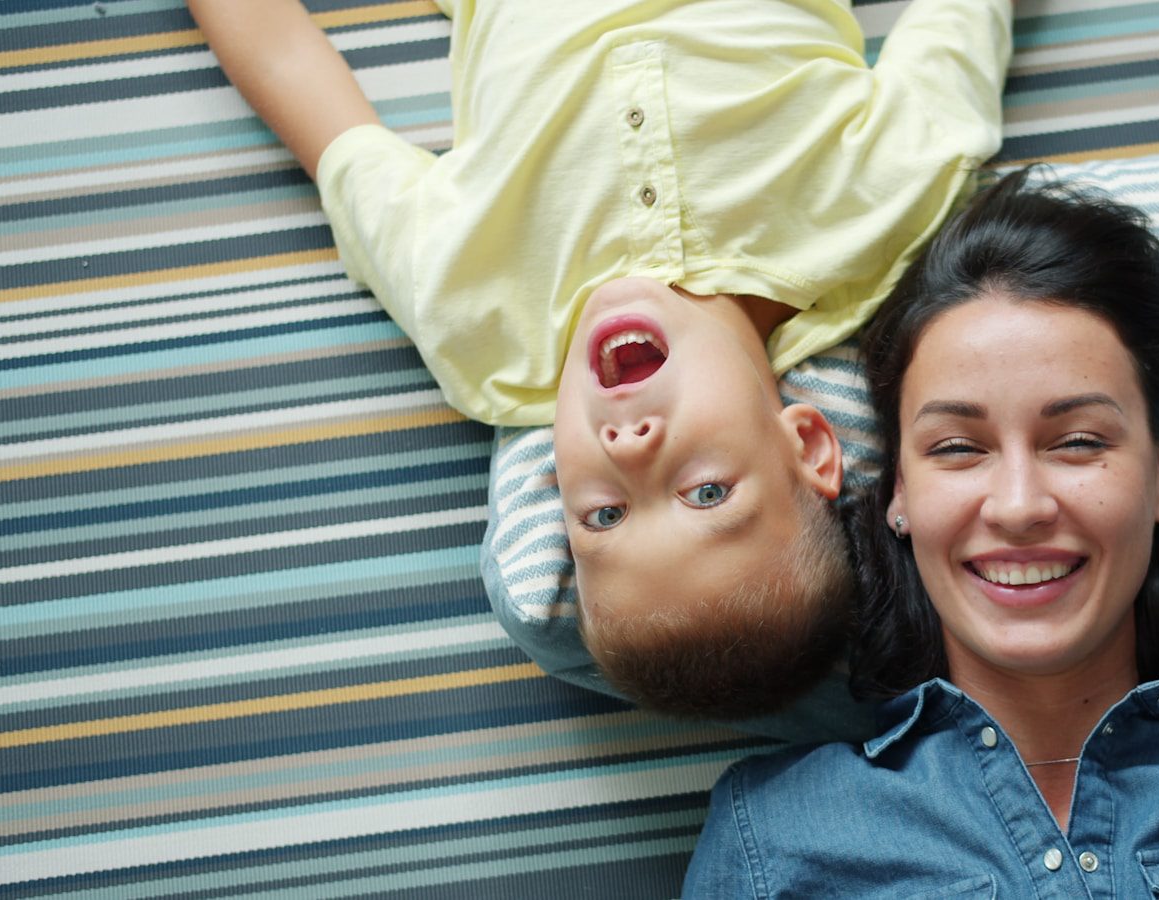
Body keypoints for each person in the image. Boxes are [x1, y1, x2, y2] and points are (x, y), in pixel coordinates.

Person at [186, 0, 1010, 719]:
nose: (630, 450)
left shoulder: (479, 321)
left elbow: (296, 74)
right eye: (705, 492)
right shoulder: (877, 219)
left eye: (604, 515)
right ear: (808, 445)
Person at [683, 170, 1159, 896]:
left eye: (1079, 441)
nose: (1018, 506)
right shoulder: (770, 837)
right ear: (897, 495)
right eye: (957, 448)